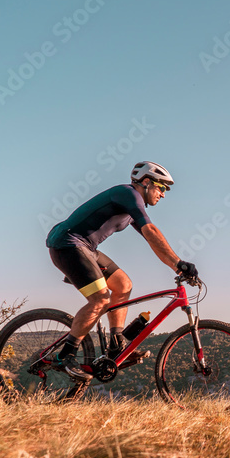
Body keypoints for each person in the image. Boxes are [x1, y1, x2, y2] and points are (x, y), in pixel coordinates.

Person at [45, 161, 198, 382]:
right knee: (100, 299)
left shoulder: (132, 207)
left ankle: (116, 347)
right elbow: (152, 230)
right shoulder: (128, 194)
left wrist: (176, 265)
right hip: (67, 244)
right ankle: (64, 356)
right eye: (162, 188)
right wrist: (179, 262)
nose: (163, 195)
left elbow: (150, 238)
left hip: (86, 248)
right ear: (146, 183)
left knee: (123, 285)